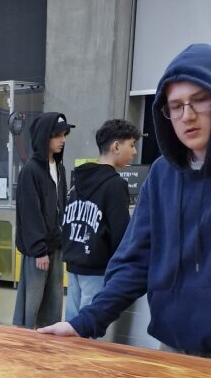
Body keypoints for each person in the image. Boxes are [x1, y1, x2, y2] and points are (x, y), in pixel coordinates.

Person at [39, 43, 211, 356]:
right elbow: (135, 259)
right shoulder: (162, 175)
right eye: (176, 105)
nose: (187, 116)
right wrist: (85, 321)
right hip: (172, 347)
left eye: (200, 100)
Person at [63, 118, 140, 320]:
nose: (134, 152)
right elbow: (120, 234)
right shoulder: (116, 185)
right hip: (97, 268)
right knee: (90, 326)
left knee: (71, 323)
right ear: (116, 146)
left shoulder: (78, 180)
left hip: (73, 263)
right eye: (132, 145)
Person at [13, 112, 75, 329]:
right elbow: (30, 212)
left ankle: (48, 339)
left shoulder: (60, 168)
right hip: (38, 250)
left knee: (54, 300)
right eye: (57, 135)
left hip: (56, 245)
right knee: (32, 303)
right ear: (44, 137)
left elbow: (61, 206)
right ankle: (28, 340)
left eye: (64, 135)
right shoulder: (30, 171)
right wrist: (39, 250)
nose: (63, 140)